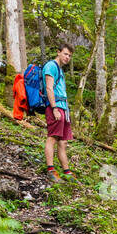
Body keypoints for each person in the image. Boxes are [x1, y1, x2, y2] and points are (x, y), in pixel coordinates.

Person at [43, 43, 73, 178]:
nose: (67, 57)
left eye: (70, 56)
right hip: (55, 107)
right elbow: (49, 88)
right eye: (65, 54)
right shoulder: (51, 66)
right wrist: (54, 108)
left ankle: (67, 172)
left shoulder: (60, 70)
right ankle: (51, 170)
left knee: (63, 141)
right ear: (58, 52)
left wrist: (67, 111)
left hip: (63, 108)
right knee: (53, 137)